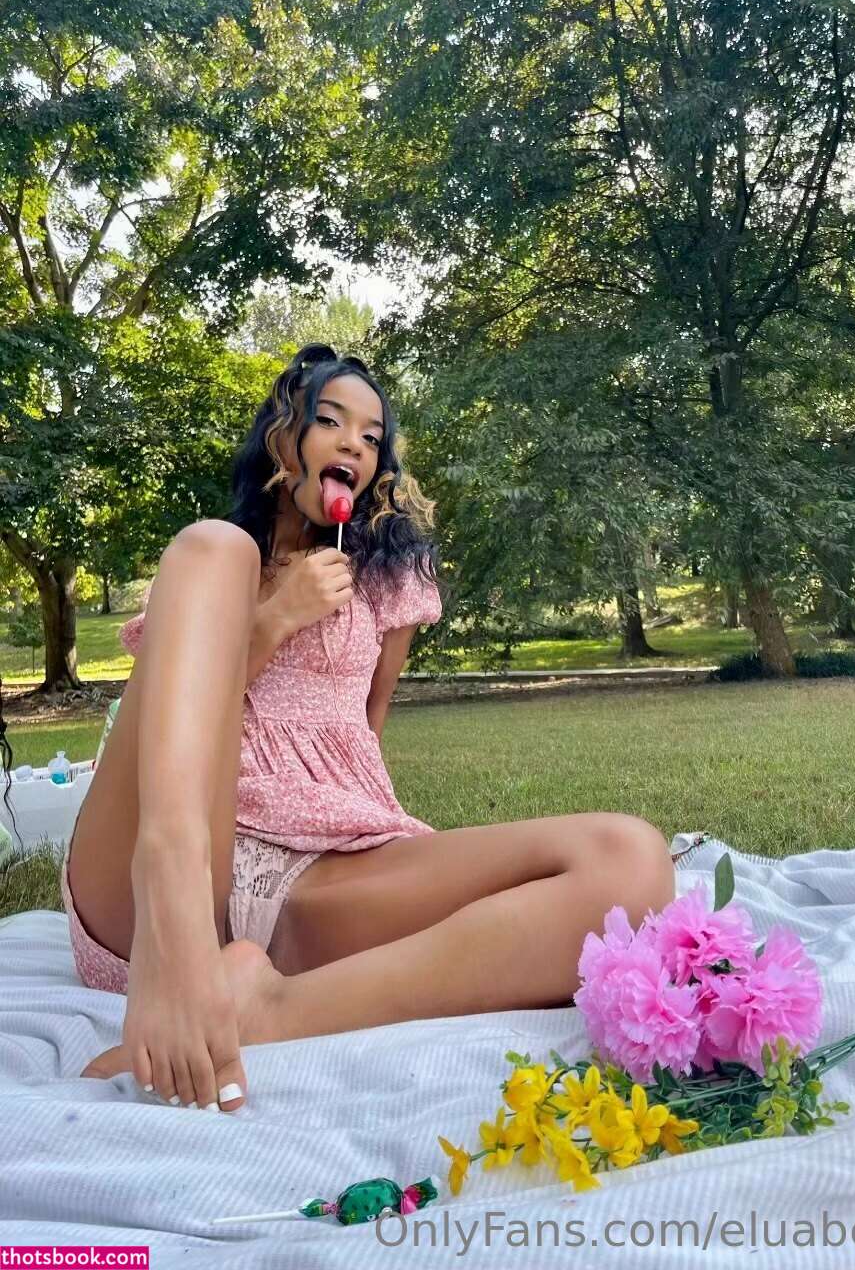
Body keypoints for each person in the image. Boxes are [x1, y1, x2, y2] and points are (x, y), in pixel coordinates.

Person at [54, 342, 674, 1114]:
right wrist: (276, 617)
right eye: (330, 421)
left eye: (372, 436)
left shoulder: (381, 579)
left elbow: (366, 728)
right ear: (281, 438)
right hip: (170, 860)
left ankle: (268, 1012)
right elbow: (167, 715)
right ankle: (174, 937)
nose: (354, 443)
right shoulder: (216, 571)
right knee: (215, 545)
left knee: (629, 859)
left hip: (316, 875)